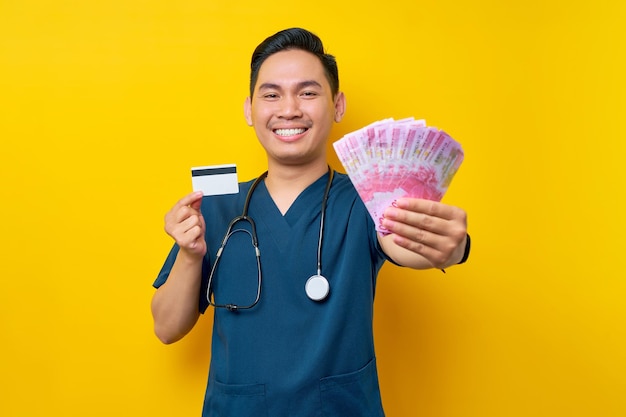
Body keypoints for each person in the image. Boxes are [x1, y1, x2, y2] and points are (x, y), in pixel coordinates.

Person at [151, 27, 470, 417]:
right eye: (271, 94)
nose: (289, 109)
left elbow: (401, 243)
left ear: (337, 106)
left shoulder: (367, 199)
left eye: (308, 92)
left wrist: (453, 249)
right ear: (250, 110)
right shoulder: (217, 205)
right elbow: (167, 328)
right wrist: (188, 254)